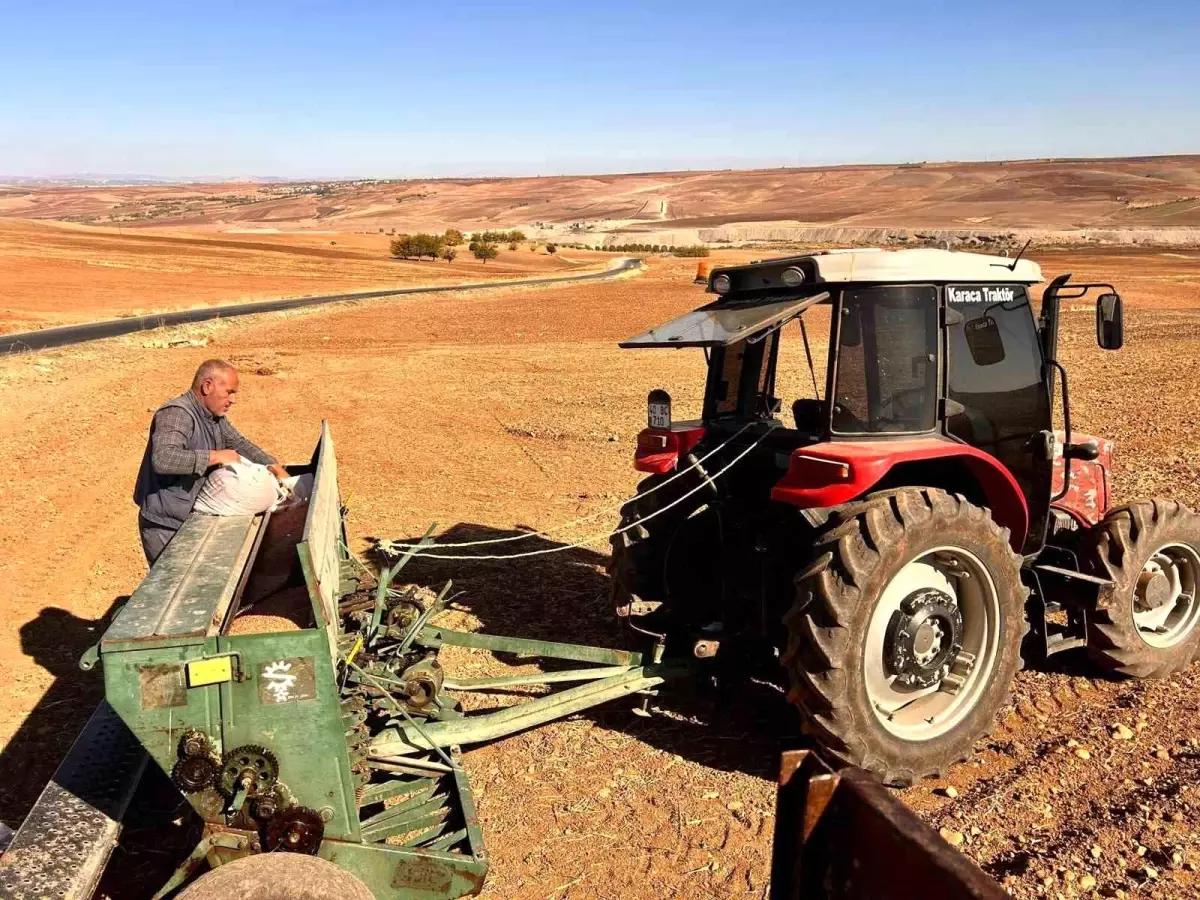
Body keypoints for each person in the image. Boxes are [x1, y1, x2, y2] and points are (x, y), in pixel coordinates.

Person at [133, 359, 287, 565]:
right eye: (229, 392)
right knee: (174, 586)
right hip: (166, 525)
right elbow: (164, 458)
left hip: (190, 519)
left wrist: (274, 466)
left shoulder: (213, 417)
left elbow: (238, 442)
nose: (233, 400)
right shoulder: (177, 413)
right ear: (207, 386)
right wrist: (214, 456)